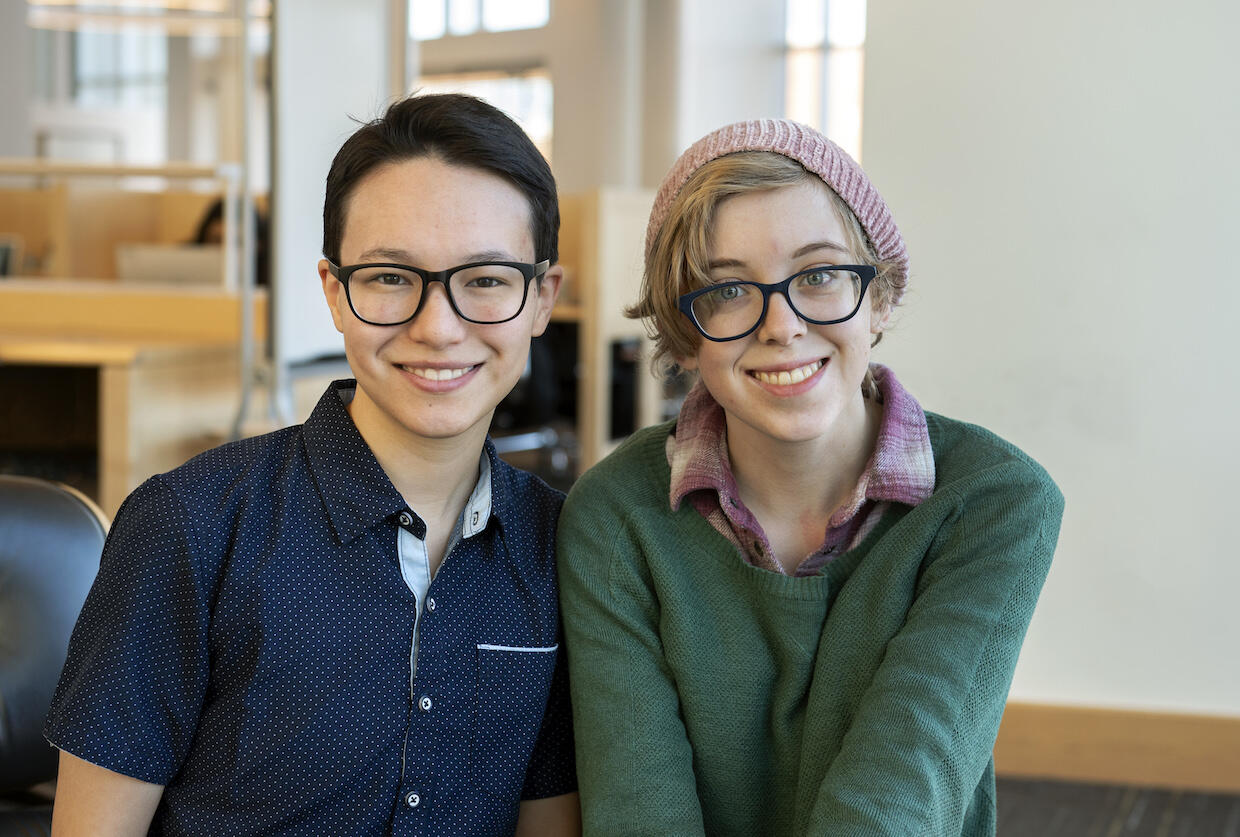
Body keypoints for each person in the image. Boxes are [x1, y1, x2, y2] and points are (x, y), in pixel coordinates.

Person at [45, 93, 579, 836]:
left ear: (542, 297)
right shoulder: (194, 525)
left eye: (485, 280)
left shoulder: (562, 547)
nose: (439, 327)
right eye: (392, 278)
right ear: (334, 291)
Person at [556, 119, 1064, 836]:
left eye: (821, 275)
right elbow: (640, 809)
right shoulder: (615, 513)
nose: (781, 325)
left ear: (879, 298)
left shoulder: (993, 500)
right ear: (685, 330)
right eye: (729, 289)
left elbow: (898, 794)